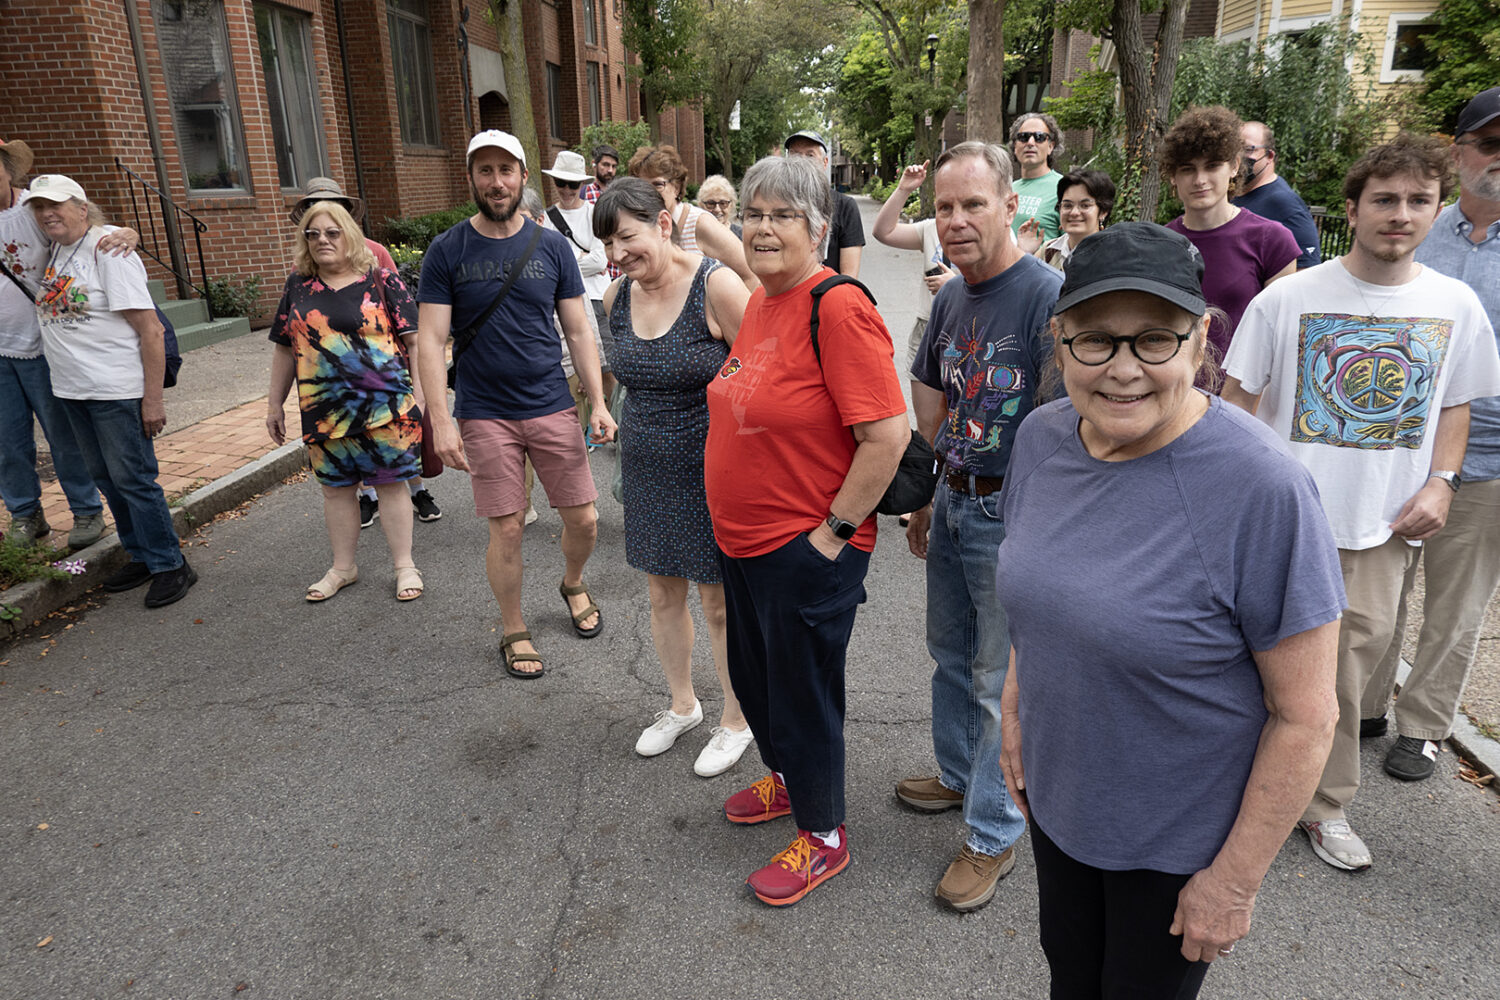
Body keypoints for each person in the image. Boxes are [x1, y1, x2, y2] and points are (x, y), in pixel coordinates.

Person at [998, 221, 1344, 998]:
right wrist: (1015, 708)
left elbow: (1307, 716)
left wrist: (1234, 882)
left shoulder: (1263, 491)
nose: (1123, 369)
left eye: (1155, 339)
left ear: (1201, 343)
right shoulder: (1042, 438)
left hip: (1178, 846)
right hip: (1062, 803)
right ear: (1060, 343)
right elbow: (1038, 597)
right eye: (1096, 340)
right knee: (1070, 981)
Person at [1222, 133, 1500, 871]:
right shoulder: (1289, 299)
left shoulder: (1456, 305)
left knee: (1342, 677)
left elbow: (1454, 408)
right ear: (1352, 210)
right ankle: (1225, 795)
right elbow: (1236, 401)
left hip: (1378, 530)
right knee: (1239, 663)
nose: (1400, 214)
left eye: (1418, 201)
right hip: (1281, 524)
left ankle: (1324, 805)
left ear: (1438, 208)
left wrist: (1441, 482)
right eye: (1384, 199)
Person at [705, 155, 907, 905]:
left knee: (805, 693)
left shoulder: (838, 307)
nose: (759, 227)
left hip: (804, 547)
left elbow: (886, 438)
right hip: (742, 542)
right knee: (759, 682)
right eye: (751, 213)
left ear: (818, 229)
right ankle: (789, 782)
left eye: (780, 214)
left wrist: (830, 535)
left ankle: (825, 836)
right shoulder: (763, 302)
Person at [900, 141, 1061, 911]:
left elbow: (1067, 425)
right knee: (949, 653)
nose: (956, 220)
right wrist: (928, 492)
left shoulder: (1046, 297)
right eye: (944, 207)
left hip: (1011, 510)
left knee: (999, 680)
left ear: (1011, 206)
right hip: (956, 495)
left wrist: (1041, 528)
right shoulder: (952, 297)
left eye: (972, 204)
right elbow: (934, 394)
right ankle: (960, 775)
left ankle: (994, 831)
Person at [414, 130, 616, 679]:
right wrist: (441, 422)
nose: (497, 181)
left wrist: (597, 401)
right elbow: (430, 341)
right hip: (484, 411)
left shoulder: (551, 247)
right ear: (472, 178)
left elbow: (578, 328)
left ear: (524, 176)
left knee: (585, 519)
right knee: (505, 528)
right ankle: (512, 626)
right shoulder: (447, 250)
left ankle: (572, 582)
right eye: (485, 171)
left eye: (507, 169)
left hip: (551, 403)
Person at [593, 177, 755, 776]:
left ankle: (736, 719)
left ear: (663, 222)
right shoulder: (615, 298)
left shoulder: (716, 285)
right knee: (663, 591)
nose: (617, 255)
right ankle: (682, 705)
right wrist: (600, 406)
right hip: (644, 465)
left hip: (714, 467)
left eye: (627, 237)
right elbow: (624, 375)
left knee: (718, 601)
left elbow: (761, 378)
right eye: (608, 244)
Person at [1362, 87, 1500, 782]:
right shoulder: (1420, 228)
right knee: (1382, 587)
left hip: (1491, 459)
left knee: (1456, 603)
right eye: (1492, 144)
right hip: (1398, 447)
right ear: (1461, 152)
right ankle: (1365, 705)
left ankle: (1423, 726)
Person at [24, 175, 197, 607]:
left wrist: (152, 399)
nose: (48, 213)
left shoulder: (109, 250)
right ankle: (141, 553)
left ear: (82, 208)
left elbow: (151, 330)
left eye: (57, 205)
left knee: (134, 480)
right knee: (106, 478)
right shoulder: (57, 249)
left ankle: (171, 564)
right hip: (72, 390)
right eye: (40, 206)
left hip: (115, 390)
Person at [265, 201, 425, 603]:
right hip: (323, 412)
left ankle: (405, 565)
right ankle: (343, 567)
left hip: (386, 409)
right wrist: (274, 406)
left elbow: (417, 344)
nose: (322, 240)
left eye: (332, 232)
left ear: (349, 235)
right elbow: (285, 350)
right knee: (336, 491)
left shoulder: (382, 280)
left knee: (391, 487)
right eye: (312, 233)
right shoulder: (297, 286)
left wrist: (421, 399)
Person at [286, 176, 442, 530]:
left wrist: (420, 394)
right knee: (346, 478)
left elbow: (407, 326)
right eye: (311, 213)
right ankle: (366, 499)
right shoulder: (300, 273)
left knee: (395, 468)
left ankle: (417, 491)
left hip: (383, 385)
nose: (322, 231)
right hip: (329, 401)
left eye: (330, 210)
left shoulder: (375, 256)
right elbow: (288, 341)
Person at [1, 138, 133, 551]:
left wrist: (127, 231)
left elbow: (86, 232)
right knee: (7, 439)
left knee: (64, 435)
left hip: (46, 345)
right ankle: (25, 514)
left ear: (8, 170)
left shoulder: (33, 210)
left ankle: (86, 508)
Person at [1162, 106, 1299, 363]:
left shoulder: (1272, 241)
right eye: (1188, 169)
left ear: (1234, 166)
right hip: (1173, 389)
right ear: (1173, 176)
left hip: (1242, 395)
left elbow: (1283, 338)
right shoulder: (1162, 244)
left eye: (1212, 166)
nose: (1200, 179)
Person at [542, 150, 616, 404]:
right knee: (572, 366)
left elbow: (601, 259)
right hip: (562, 302)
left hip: (596, 297)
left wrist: (565, 263)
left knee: (606, 364)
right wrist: (583, 259)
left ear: (582, 184)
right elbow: (545, 265)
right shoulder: (545, 218)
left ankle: (612, 419)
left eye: (572, 184)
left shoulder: (595, 213)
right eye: (560, 183)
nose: (566, 189)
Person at [870, 159, 956, 373]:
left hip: (967, 326)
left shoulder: (992, 230)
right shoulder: (930, 228)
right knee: (925, 404)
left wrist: (956, 285)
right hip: (928, 325)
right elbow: (883, 232)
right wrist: (903, 189)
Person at [1234, 121, 1323, 269]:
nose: (1240, 156)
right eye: (1235, 149)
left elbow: (1306, 270)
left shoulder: (1285, 203)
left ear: (1269, 156)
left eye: (1248, 149)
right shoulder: (1235, 194)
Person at [784, 130, 865, 276]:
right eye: (795, 154)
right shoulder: (777, 203)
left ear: (825, 162)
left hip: (828, 293)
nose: (802, 161)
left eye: (810, 155)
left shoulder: (845, 206)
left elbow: (849, 275)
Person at [1017, 167, 1114, 270]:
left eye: (1085, 205)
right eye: (1068, 205)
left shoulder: (1113, 254)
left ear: (1103, 211)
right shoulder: (1049, 251)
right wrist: (1025, 253)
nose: (1074, 212)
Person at [1010, 113, 1064, 242]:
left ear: (1051, 146)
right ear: (1015, 147)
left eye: (1039, 137)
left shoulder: (1064, 187)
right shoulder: (1007, 189)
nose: (1030, 143)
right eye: (1023, 137)